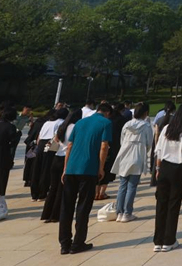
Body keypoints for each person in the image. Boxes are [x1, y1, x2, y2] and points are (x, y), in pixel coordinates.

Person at [59, 102, 113, 255]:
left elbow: (69, 146)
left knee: (66, 206)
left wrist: (65, 168)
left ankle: (64, 243)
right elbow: (104, 146)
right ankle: (78, 243)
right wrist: (101, 168)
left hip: (71, 168)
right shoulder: (106, 123)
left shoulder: (80, 123)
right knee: (83, 206)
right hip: (88, 169)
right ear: (107, 113)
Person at [153, 103, 182, 252]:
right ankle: (169, 240)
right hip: (178, 168)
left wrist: (158, 169)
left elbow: (159, 151)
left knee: (161, 203)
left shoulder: (167, 128)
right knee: (173, 204)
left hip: (164, 167)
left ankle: (158, 241)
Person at [110, 103, 154, 222]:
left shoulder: (127, 124)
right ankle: (127, 213)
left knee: (122, 185)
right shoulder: (146, 126)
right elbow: (149, 143)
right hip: (137, 155)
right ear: (145, 113)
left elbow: (122, 140)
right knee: (132, 186)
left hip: (124, 154)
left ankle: (119, 212)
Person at [42, 108, 81, 223]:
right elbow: (72, 145)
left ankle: (47, 213)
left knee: (53, 188)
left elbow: (55, 141)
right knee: (62, 188)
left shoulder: (62, 126)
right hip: (67, 158)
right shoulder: (75, 127)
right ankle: (56, 215)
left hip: (57, 158)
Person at [35, 109, 68, 202]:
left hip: (41, 144)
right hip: (50, 144)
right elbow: (56, 137)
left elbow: (39, 137)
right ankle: (43, 193)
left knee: (38, 168)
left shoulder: (47, 122)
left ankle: (35, 192)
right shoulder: (61, 122)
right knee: (47, 169)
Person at [97, 102, 128, 200]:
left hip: (101, 146)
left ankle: (96, 192)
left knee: (99, 168)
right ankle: (102, 193)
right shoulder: (122, 120)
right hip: (114, 147)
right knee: (108, 170)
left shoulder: (106, 121)